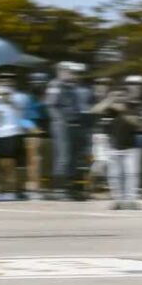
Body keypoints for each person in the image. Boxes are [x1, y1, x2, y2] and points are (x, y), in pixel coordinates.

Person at [45, 62, 91, 199]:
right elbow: (50, 105)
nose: (72, 74)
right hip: (61, 124)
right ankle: (58, 190)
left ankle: (70, 188)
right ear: (61, 71)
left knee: (73, 157)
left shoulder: (71, 86)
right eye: (69, 71)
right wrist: (60, 120)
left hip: (74, 124)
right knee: (63, 156)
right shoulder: (55, 85)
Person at [91, 88, 142, 210]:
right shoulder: (109, 110)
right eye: (117, 95)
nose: (119, 98)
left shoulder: (133, 107)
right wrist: (109, 100)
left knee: (131, 174)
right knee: (114, 175)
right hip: (113, 147)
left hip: (131, 147)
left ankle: (131, 200)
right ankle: (117, 199)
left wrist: (124, 111)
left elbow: (139, 123)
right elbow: (94, 111)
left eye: (122, 95)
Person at [0, 85, 25, 200]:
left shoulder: (14, 102)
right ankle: (1, 190)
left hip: (10, 135)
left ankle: (11, 190)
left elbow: (16, 105)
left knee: (9, 165)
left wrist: (6, 95)